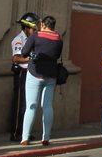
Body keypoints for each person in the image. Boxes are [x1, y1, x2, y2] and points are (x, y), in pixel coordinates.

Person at [19, 14, 62, 146]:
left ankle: (25, 137)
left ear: (43, 24)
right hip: (51, 75)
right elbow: (57, 55)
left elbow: (24, 52)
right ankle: (46, 137)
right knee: (47, 106)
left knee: (31, 106)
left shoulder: (35, 36)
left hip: (34, 73)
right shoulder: (59, 39)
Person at [9, 13, 38, 141]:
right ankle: (16, 132)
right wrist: (29, 59)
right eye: (33, 28)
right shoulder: (19, 40)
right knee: (20, 104)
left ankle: (26, 131)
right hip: (22, 73)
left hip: (31, 73)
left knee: (29, 104)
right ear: (26, 27)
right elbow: (16, 58)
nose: (35, 30)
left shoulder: (34, 40)